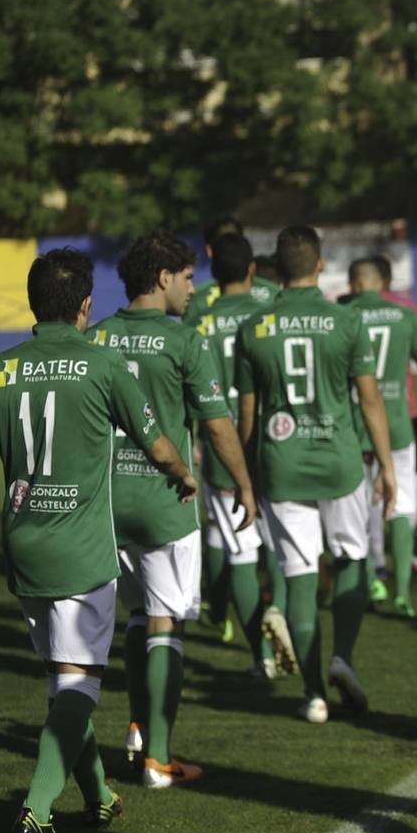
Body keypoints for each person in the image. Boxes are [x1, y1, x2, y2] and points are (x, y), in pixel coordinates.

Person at [0, 248, 196, 833]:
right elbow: (157, 445)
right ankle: (33, 812)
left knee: (65, 682)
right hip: (81, 553)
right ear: (84, 307)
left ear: (31, 303)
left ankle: (98, 794)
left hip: (24, 550)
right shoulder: (103, 366)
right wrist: (185, 477)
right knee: (78, 686)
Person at [90, 231, 257, 787]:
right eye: (187, 277)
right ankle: (159, 758)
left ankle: (137, 728)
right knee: (168, 624)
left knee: (138, 617)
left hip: (108, 503)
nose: (192, 287)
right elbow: (215, 423)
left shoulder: (98, 337)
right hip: (167, 499)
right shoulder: (183, 339)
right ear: (163, 277)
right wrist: (243, 484)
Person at [234, 225, 397, 725]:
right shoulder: (345, 322)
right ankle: (341, 657)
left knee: (299, 576)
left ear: (276, 270)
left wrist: (247, 480)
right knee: (351, 558)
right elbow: (369, 399)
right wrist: (387, 467)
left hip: (281, 463)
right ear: (321, 263)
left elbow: (247, 417)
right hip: (341, 461)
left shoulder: (253, 328)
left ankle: (312, 695)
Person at [193, 233, 291, 677]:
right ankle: (285, 616)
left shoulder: (200, 319)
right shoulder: (269, 310)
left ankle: (261, 657)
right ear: (253, 269)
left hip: (222, 449)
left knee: (240, 555)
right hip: (273, 440)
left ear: (214, 275)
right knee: (288, 544)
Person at [344, 257, 417, 618]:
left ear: (353, 284)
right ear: (381, 284)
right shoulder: (404, 316)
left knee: (360, 507)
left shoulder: (342, 316)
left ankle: (373, 576)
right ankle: (403, 591)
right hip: (399, 426)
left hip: (355, 426)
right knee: (399, 504)